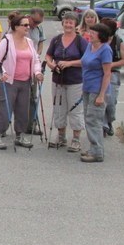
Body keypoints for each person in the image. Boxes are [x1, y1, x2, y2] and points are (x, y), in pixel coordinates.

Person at [0, 14, 44, 150]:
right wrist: (1, 72)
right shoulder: (7, 41)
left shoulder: (29, 41)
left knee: (23, 110)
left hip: (26, 81)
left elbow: (36, 59)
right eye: (24, 25)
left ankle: (20, 135)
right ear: (15, 27)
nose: (28, 27)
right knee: (4, 109)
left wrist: (37, 72)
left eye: (28, 25)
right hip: (9, 81)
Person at [44, 11, 87, 151]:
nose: (68, 24)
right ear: (62, 23)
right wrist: (51, 64)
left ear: (76, 25)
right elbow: (48, 56)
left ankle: (76, 139)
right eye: (66, 22)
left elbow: (87, 60)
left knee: (75, 109)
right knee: (59, 108)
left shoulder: (81, 41)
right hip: (58, 80)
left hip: (75, 80)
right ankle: (61, 136)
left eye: (71, 22)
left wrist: (70, 63)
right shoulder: (56, 40)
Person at [79, 22, 113, 163]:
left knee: (94, 121)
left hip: (97, 90)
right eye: (90, 32)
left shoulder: (105, 50)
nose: (90, 35)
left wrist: (101, 95)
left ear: (101, 35)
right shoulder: (90, 46)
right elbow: (83, 63)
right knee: (89, 119)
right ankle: (94, 148)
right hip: (87, 88)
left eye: (93, 33)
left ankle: (97, 152)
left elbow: (107, 74)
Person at [101, 17, 124, 137]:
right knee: (101, 102)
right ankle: (103, 126)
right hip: (100, 74)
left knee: (111, 103)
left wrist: (111, 64)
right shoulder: (98, 40)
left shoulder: (118, 42)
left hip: (113, 74)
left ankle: (109, 121)